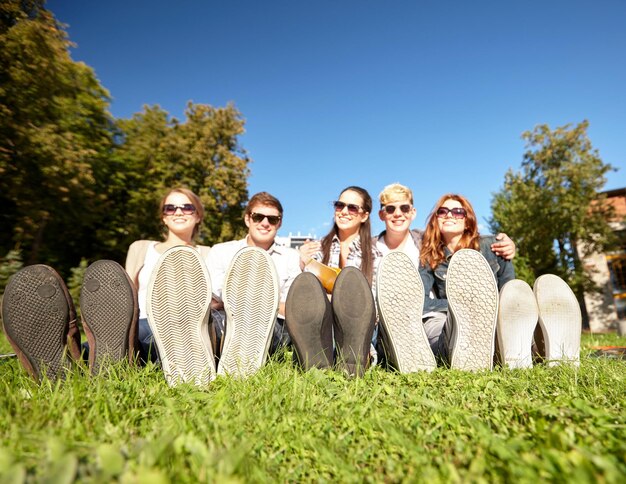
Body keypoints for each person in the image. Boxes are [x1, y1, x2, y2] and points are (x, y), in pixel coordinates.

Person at [374, 183, 516, 371]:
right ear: (436, 219)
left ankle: (525, 347)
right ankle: (433, 353)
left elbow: (510, 292)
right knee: (438, 324)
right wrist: (460, 306)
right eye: (443, 211)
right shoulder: (431, 254)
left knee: (511, 314)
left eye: (458, 212)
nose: (450, 215)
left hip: (494, 319)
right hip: (448, 317)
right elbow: (421, 301)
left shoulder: (493, 246)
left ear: (468, 220)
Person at [286, 186, 381, 377]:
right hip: (323, 318)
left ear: (364, 215)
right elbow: (303, 295)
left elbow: (376, 299)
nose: (344, 211)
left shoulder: (376, 253)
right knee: (308, 288)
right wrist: (302, 264)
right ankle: (322, 355)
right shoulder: (315, 249)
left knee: (356, 307)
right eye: (339, 205)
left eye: (352, 207)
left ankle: (355, 354)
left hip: (361, 320)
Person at [205, 191, 302, 376]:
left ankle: (228, 356)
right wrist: (270, 302)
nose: (265, 223)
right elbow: (210, 298)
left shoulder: (291, 257)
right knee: (209, 322)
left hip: (272, 326)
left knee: (274, 330)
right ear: (248, 219)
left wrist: (243, 303)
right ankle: (203, 355)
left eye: (272, 219)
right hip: (224, 320)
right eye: (258, 217)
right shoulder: (221, 251)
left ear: (279, 223)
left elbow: (292, 307)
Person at [125, 187, 210, 364]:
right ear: (164, 217)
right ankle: (73, 355)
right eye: (170, 208)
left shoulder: (209, 253)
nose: (178, 212)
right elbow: (127, 295)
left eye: (187, 207)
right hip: (142, 320)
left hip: (186, 324)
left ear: (198, 216)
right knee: (129, 335)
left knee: (154, 340)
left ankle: (134, 355)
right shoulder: (140, 248)